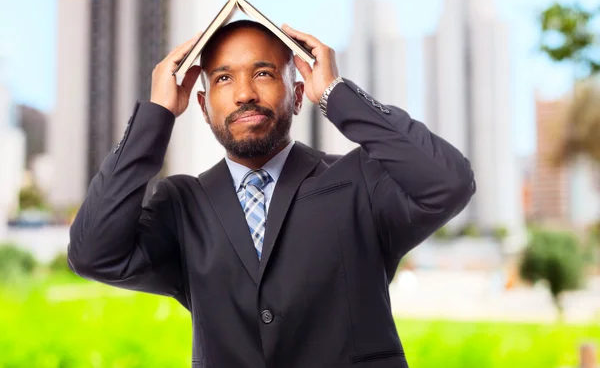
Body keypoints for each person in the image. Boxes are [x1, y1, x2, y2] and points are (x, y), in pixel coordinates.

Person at [68, 19, 475, 368]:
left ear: (298, 96)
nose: (244, 93)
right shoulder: (181, 205)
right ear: (204, 106)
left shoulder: (360, 181)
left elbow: (449, 182)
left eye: (263, 73)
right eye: (224, 78)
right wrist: (155, 117)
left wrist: (337, 94)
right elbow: (92, 254)